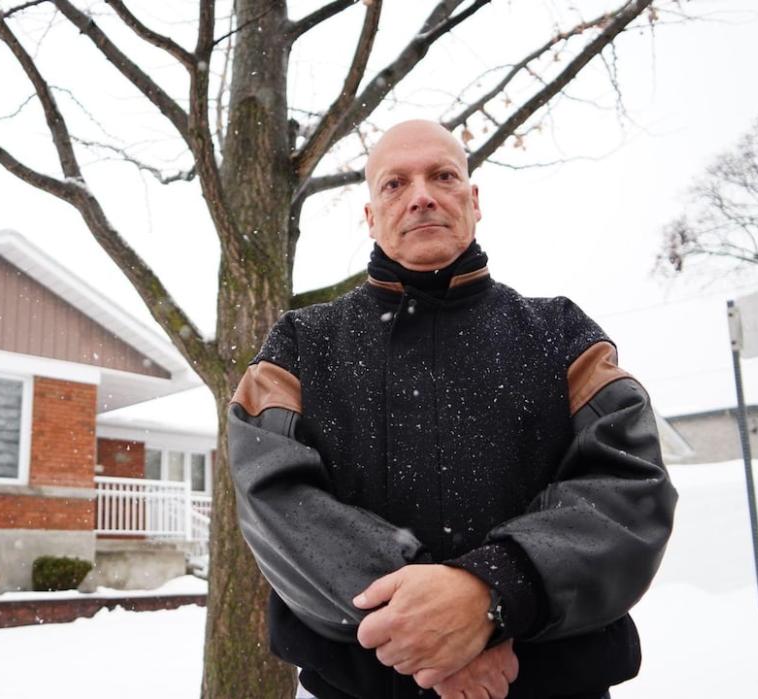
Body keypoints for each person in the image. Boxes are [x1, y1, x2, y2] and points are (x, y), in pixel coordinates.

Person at [228, 120, 677, 699]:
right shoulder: (298, 347)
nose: (421, 195)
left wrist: (493, 592)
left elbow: (629, 490)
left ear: (473, 199)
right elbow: (274, 499)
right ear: (370, 215)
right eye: (394, 184)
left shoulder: (563, 336)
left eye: (442, 175)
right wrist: (427, 626)